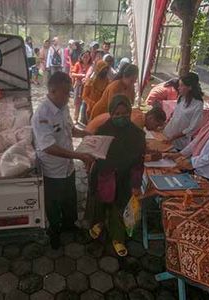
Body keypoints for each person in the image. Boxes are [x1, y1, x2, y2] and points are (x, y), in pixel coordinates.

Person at [31, 72, 95, 249]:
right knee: (53, 203)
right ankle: (55, 232)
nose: (69, 96)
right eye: (66, 92)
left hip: (67, 166)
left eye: (69, 92)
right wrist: (79, 156)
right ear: (52, 91)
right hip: (53, 170)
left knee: (70, 198)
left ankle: (70, 225)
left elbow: (70, 130)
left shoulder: (63, 107)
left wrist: (87, 134)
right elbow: (49, 147)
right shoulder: (42, 116)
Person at [85, 95, 145, 257]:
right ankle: (98, 223)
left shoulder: (137, 134)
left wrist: (136, 184)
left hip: (125, 179)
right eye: (116, 114)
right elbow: (93, 153)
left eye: (125, 113)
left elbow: (138, 162)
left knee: (118, 208)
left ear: (129, 112)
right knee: (99, 203)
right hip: (103, 175)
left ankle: (118, 238)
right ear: (111, 113)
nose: (121, 117)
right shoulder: (102, 130)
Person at [163, 72, 204, 150]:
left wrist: (175, 136)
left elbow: (192, 128)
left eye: (181, 85)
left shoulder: (198, 104)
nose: (178, 88)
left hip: (179, 142)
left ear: (190, 87)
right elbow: (175, 115)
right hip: (168, 134)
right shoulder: (181, 97)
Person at [70, 50, 92, 123]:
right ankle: (75, 118)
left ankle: (84, 119)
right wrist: (81, 75)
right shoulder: (77, 64)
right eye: (84, 56)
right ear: (81, 57)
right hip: (78, 86)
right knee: (77, 103)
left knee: (86, 103)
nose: (86, 58)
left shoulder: (91, 65)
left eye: (87, 56)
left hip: (87, 86)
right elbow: (72, 74)